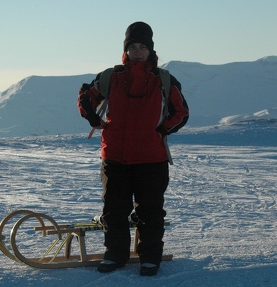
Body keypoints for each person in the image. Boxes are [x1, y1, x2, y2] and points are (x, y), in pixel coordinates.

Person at [77, 21, 189, 276]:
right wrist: (92, 117)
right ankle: (115, 255)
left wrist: (161, 130)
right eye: (132, 47)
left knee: (150, 210)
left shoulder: (164, 80)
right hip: (115, 156)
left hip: (152, 158)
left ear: (150, 51)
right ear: (125, 51)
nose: (137, 52)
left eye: (142, 47)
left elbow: (181, 112)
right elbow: (86, 97)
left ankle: (150, 258)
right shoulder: (110, 77)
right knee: (114, 210)